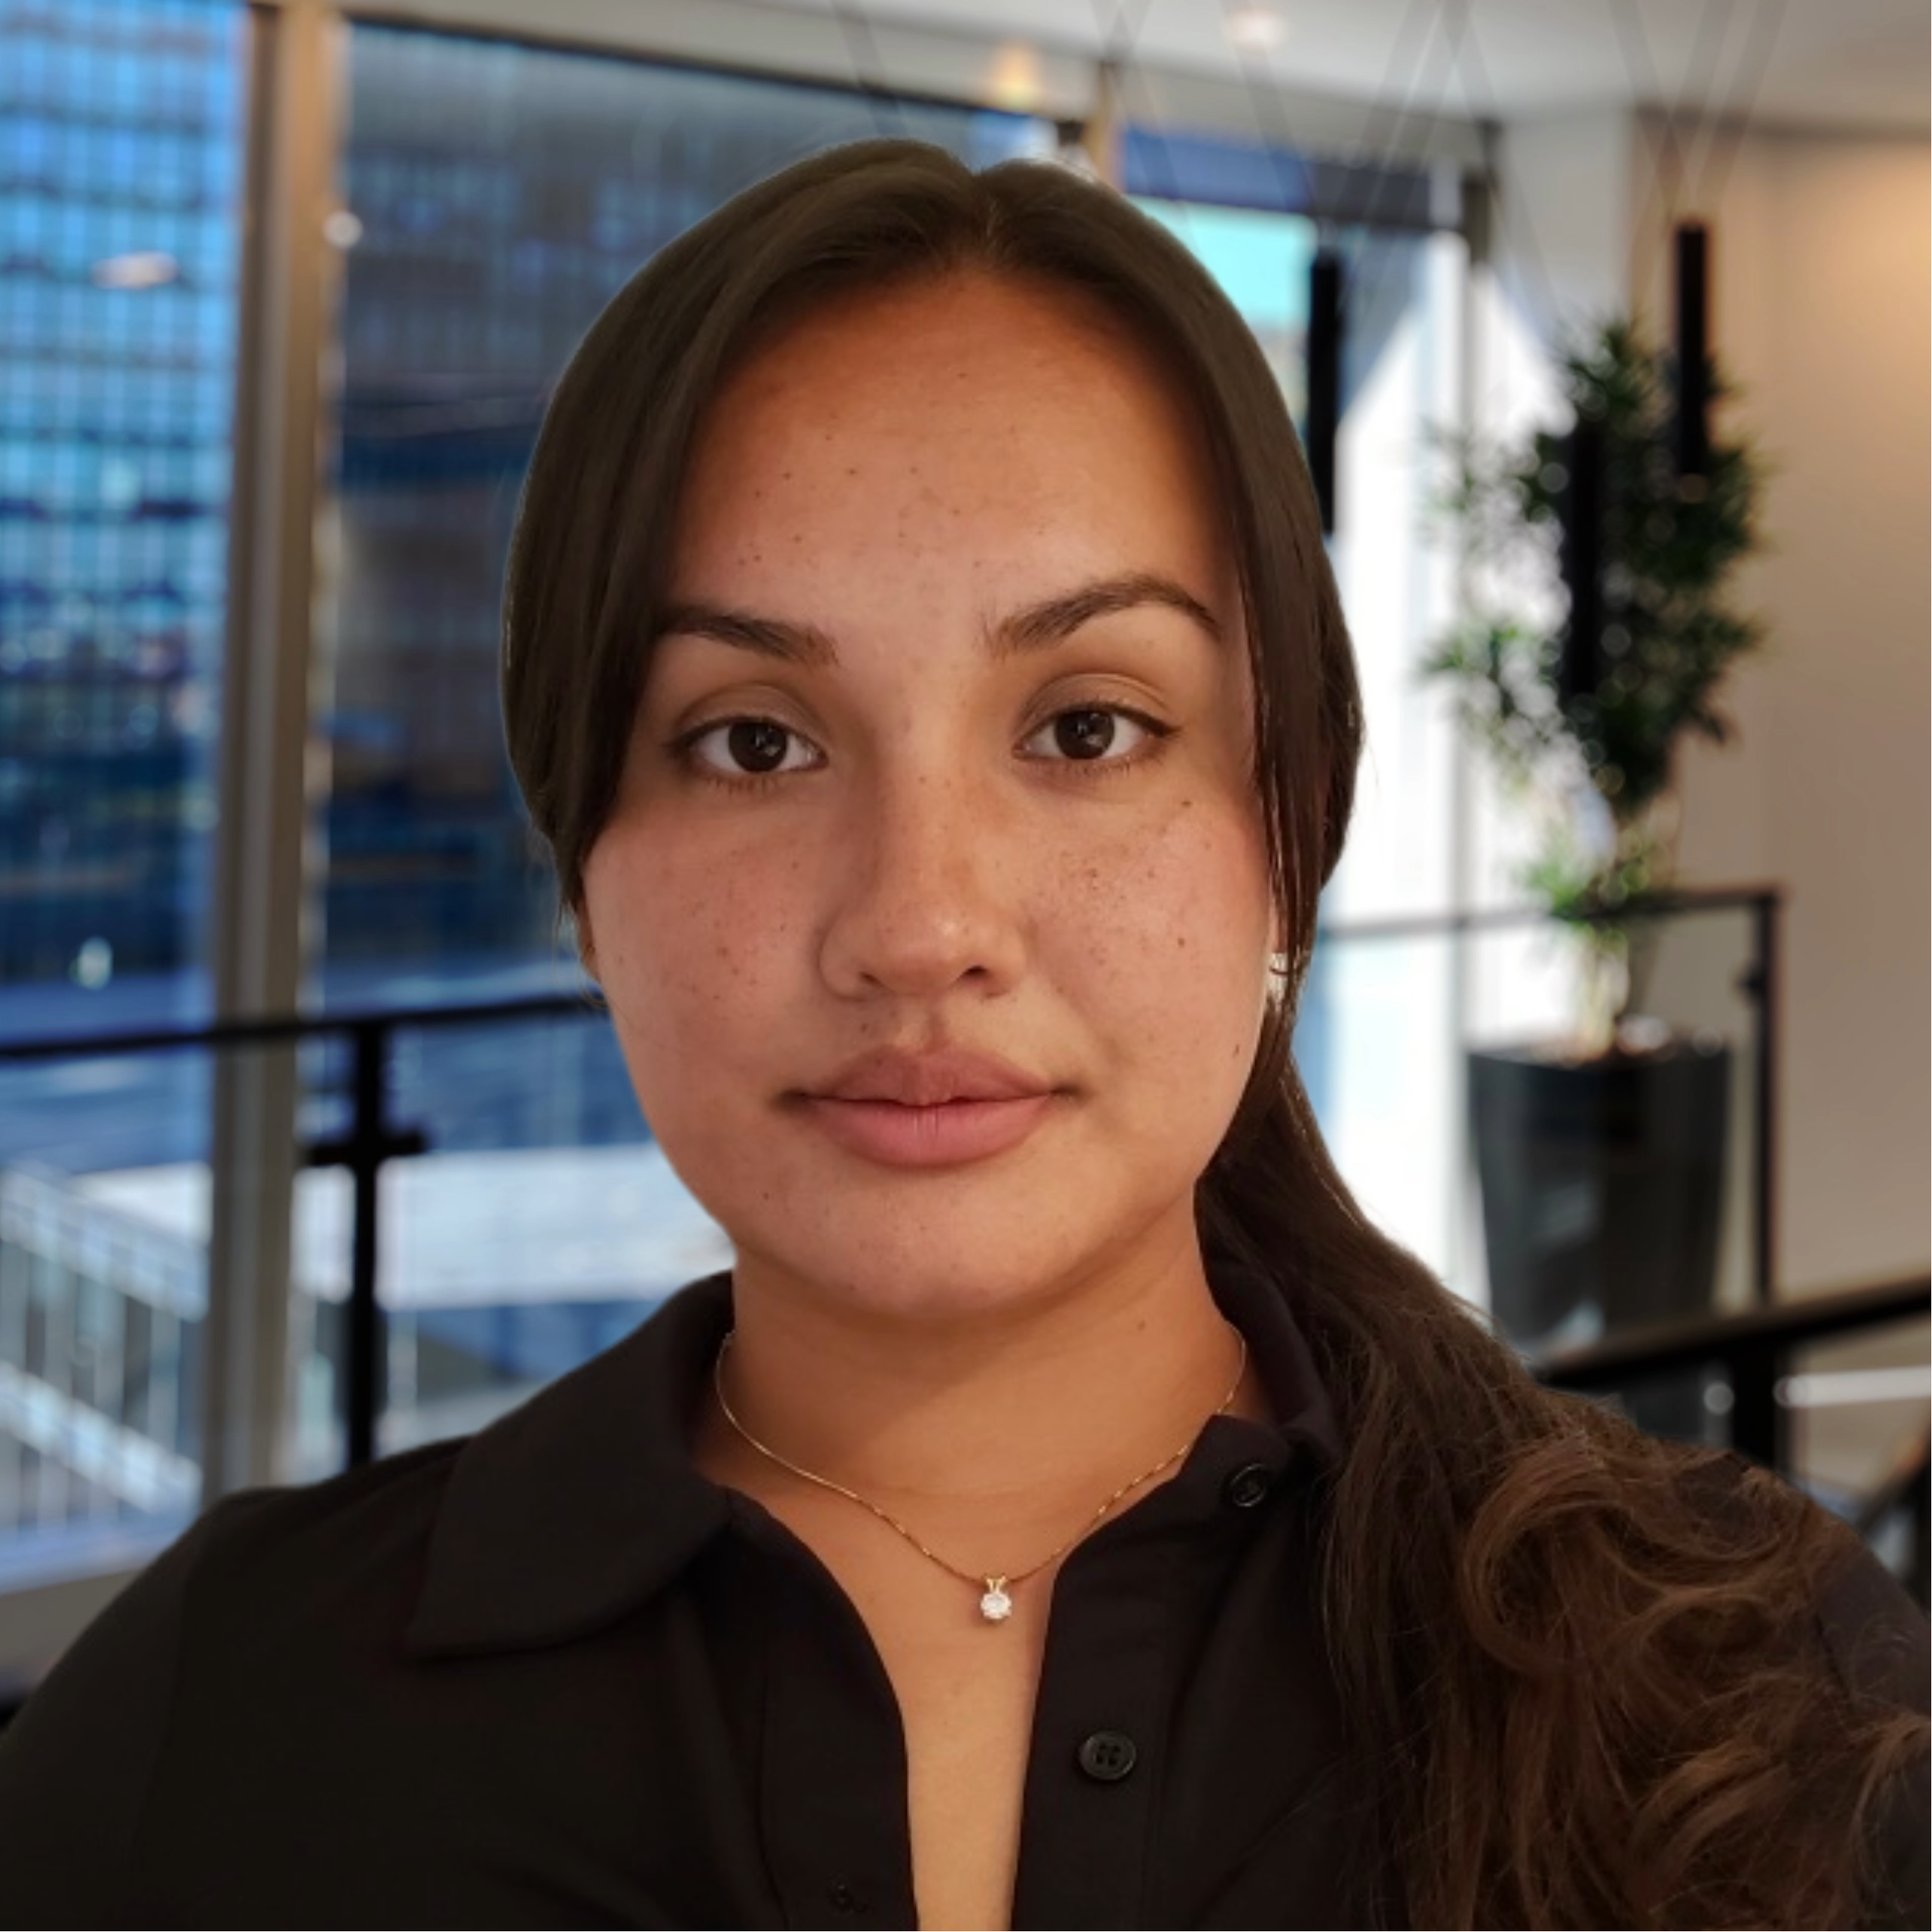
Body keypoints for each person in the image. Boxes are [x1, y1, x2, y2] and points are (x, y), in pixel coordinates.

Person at [0, 137, 1924, 1931]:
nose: (920, 925)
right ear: (583, 869)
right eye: (753, 740)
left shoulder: (1747, 1685)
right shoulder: (219, 1721)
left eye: (1085, 726)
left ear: (1287, 829)